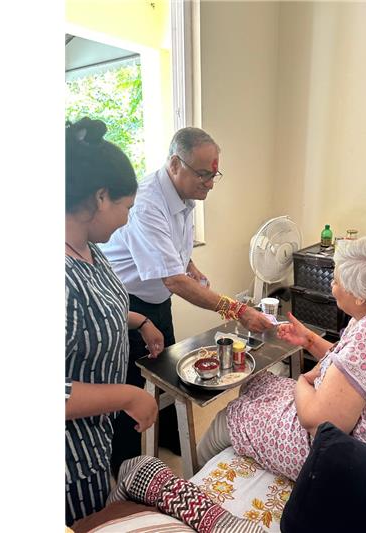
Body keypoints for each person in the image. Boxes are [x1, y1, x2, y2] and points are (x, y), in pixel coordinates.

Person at [99, 127, 273, 474]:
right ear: (176, 164)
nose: (209, 182)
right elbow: (172, 278)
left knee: (167, 371)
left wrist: (190, 264)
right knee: (132, 387)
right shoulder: (147, 203)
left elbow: (177, 255)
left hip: (158, 299)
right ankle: (130, 468)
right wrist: (236, 308)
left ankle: (169, 437)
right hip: (128, 302)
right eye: (203, 173)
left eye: (214, 175)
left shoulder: (186, 195)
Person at [196, 234, 366, 481]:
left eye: (336, 280)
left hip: (345, 457)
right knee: (256, 382)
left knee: (232, 414)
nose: (332, 285)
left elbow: (316, 423)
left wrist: (303, 380)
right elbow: (351, 362)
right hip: (344, 415)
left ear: (360, 295)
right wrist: (309, 340)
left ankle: (195, 480)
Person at [65, 117, 166, 526]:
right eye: (126, 208)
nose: (127, 219)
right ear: (100, 197)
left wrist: (139, 320)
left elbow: (91, 312)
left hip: (94, 439)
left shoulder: (89, 249)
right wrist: (127, 395)